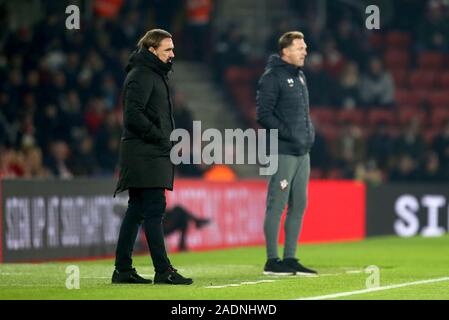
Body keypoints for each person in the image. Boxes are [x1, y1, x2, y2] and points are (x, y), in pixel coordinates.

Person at [112, 29, 193, 285]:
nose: (172, 54)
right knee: (154, 209)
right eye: (167, 49)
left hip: (147, 152)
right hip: (145, 153)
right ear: (151, 50)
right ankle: (163, 270)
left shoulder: (150, 74)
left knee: (137, 210)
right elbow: (132, 116)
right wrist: (160, 137)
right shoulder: (142, 75)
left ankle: (123, 270)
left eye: (172, 48)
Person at [256, 31, 317, 276]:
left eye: (305, 47)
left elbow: (303, 112)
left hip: (302, 151)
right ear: (285, 51)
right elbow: (263, 115)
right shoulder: (272, 77)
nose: (305, 51)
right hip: (282, 151)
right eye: (300, 47)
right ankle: (272, 260)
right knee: (277, 204)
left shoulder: (299, 76)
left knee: (299, 204)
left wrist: (307, 133)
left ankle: (290, 258)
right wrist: (289, 132)